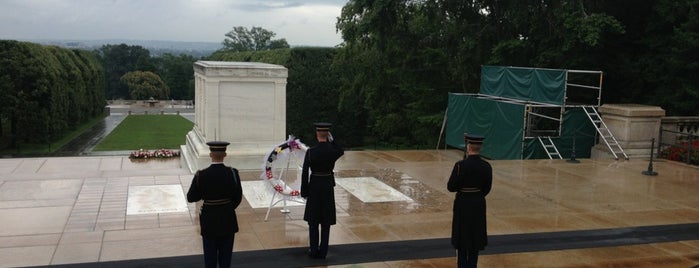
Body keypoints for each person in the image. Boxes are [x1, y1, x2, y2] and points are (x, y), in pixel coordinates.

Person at [187, 141, 243, 268]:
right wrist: (227, 207)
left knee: (210, 258)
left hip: (209, 219)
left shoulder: (201, 175)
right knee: (226, 258)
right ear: (225, 154)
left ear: (210, 154)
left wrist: (205, 195)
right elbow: (238, 197)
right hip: (228, 218)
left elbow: (191, 197)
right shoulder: (233, 173)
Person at [447, 134, 492, 268]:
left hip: (463, 203)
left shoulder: (460, 165)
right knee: (475, 238)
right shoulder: (486, 166)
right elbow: (487, 188)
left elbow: (451, 187)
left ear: (468, 146)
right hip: (478, 202)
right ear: (480, 147)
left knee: (462, 239)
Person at [301, 122, 345, 259]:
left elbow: (304, 173)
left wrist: (304, 191)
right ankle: (323, 251)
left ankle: (313, 250)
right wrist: (332, 140)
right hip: (327, 186)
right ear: (328, 135)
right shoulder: (332, 151)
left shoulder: (310, 152)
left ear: (316, 134)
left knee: (313, 221)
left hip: (314, 185)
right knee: (325, 221)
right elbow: (341, 150)